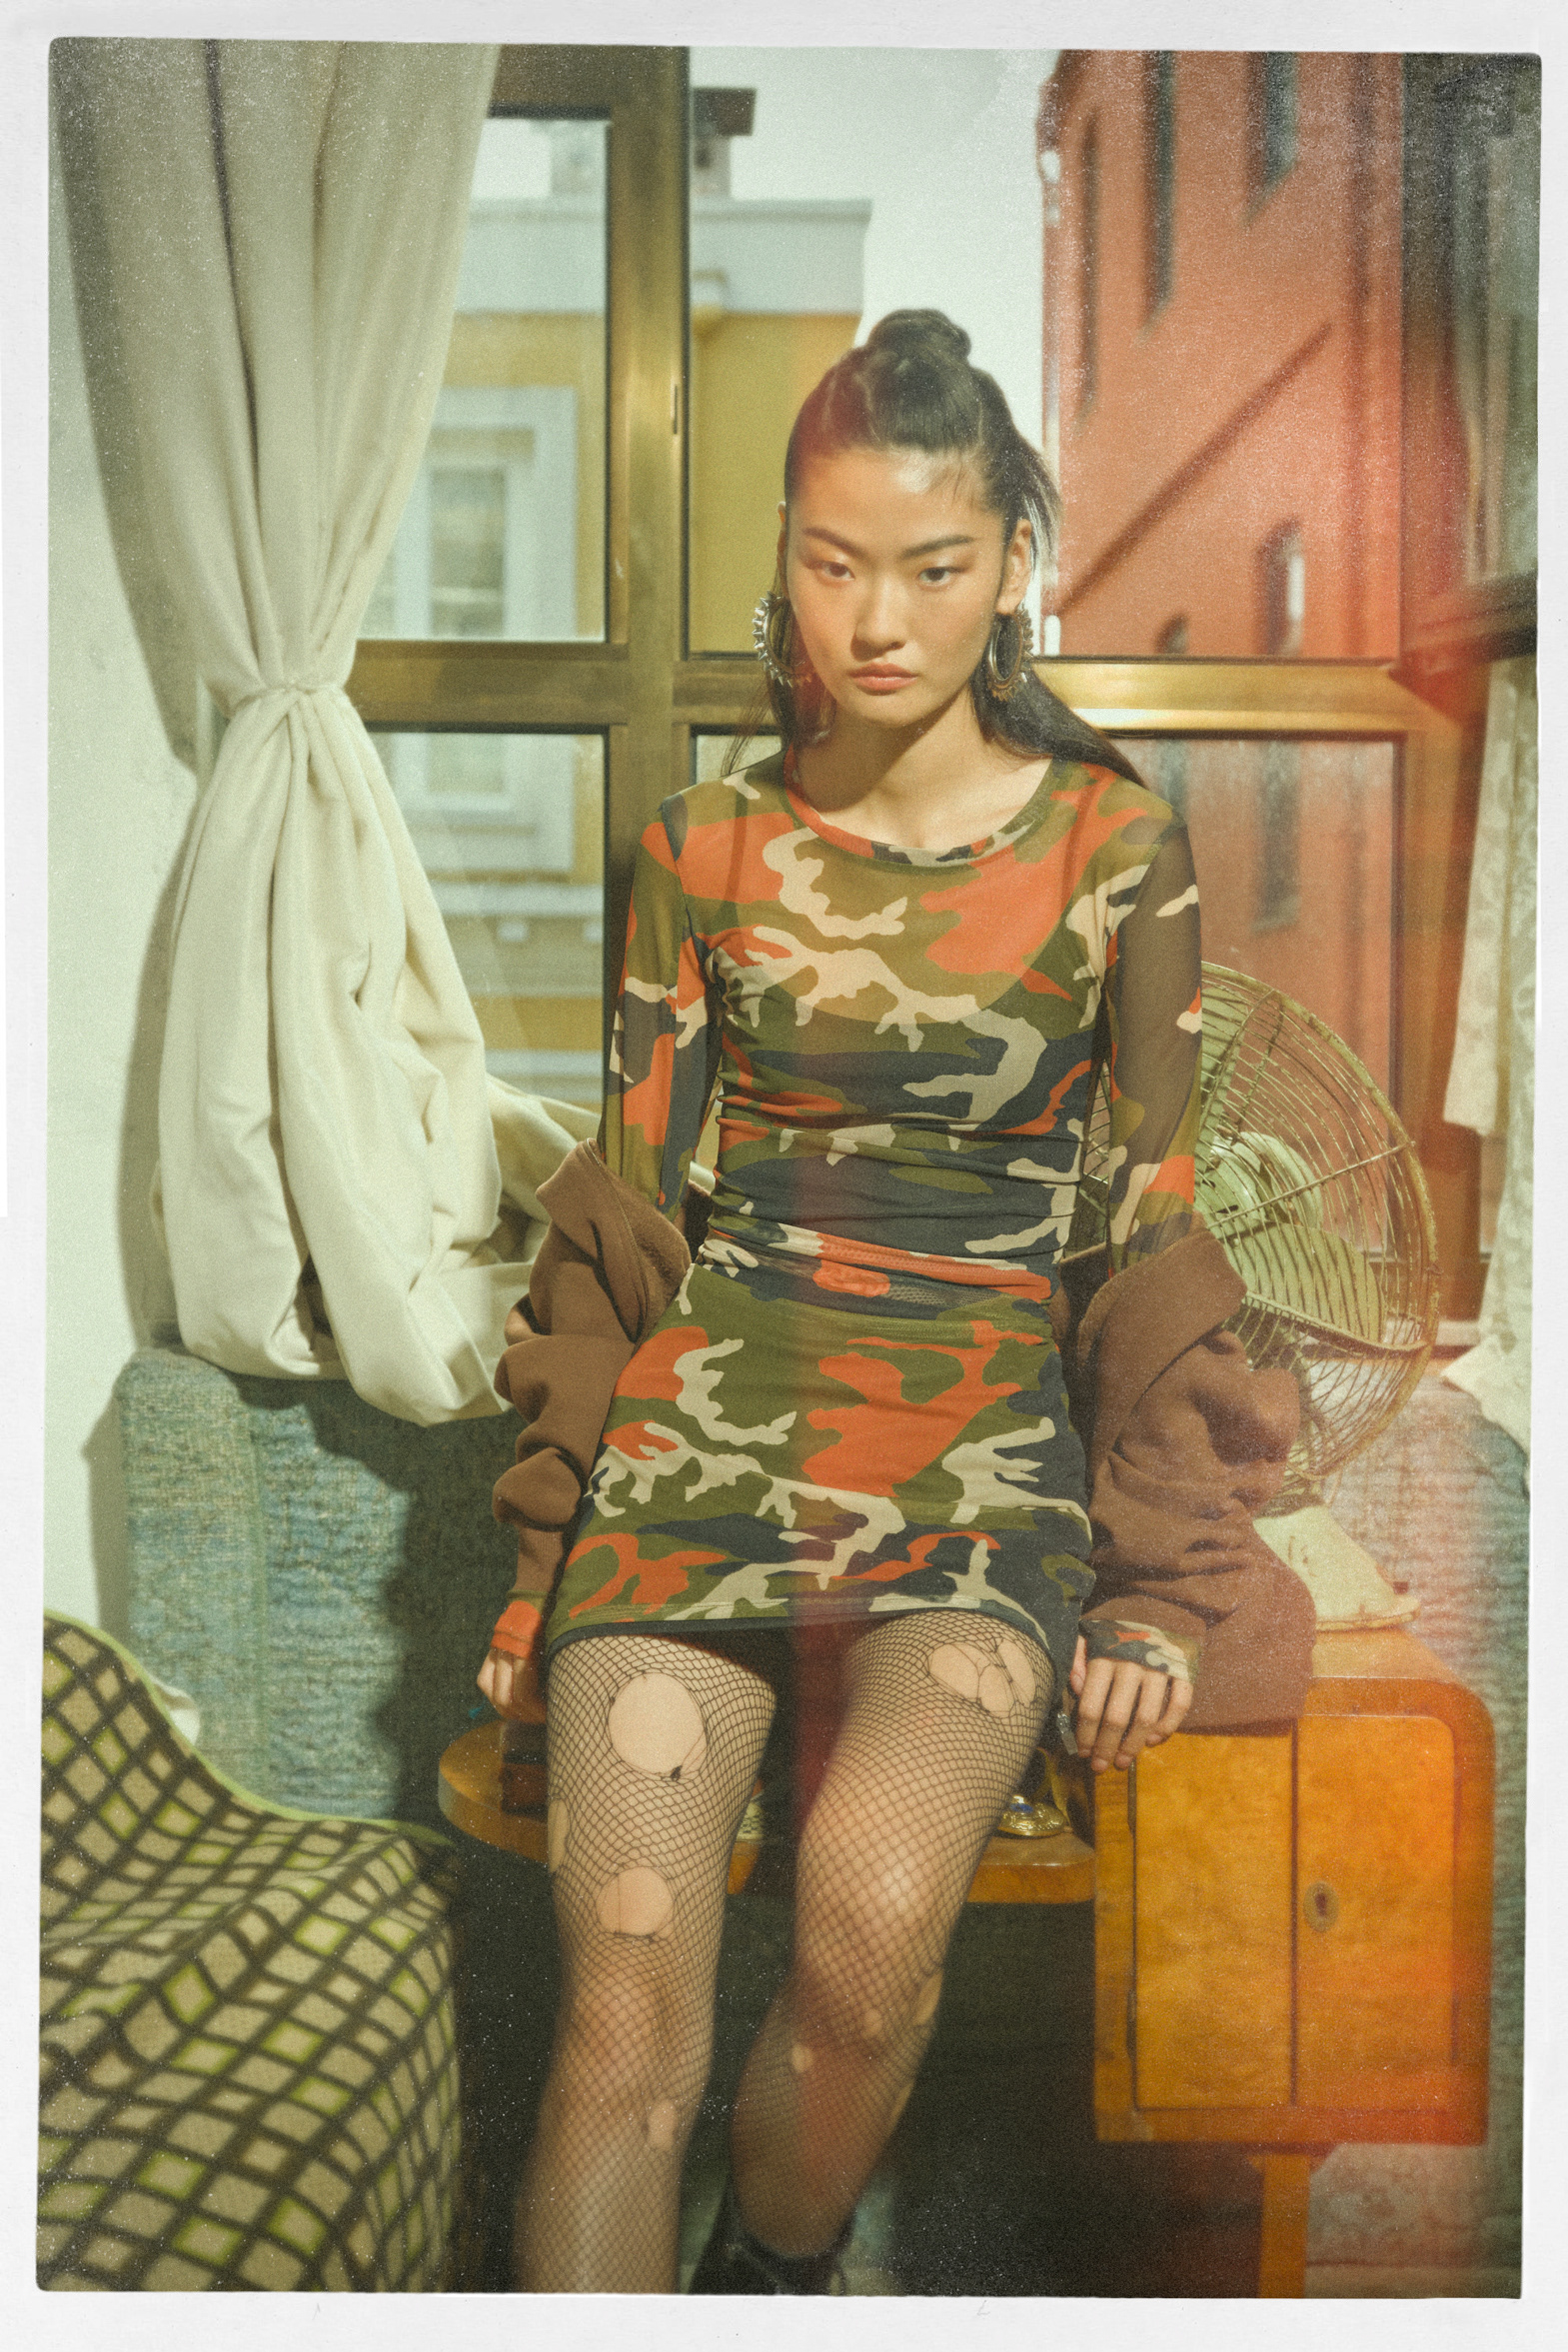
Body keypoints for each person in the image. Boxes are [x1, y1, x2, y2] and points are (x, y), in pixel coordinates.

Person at [477, 310, 1204, 2295]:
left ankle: (767, 2278)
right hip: (701, 1443)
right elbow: (625, 1223)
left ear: (1013, 562)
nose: (875, 620)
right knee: (624, 1994)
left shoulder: (1117, 850)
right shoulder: (697, 849)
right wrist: (542, 1563)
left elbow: (1148, 1232)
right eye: (830, 562)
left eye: (933, 565)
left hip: (977, 1456)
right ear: (783, 560)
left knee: (868, 1939)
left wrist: (1158, 1580)